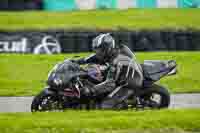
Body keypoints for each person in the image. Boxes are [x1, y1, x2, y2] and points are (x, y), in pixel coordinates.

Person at [72, 33, 143, 109]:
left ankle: (125, 105)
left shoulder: (116, 60)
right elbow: (91, 58)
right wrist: (75, 61)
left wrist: (92, 90)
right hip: (120, 77)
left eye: (100, 50)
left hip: (128, 83)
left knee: (105, 106)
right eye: (96, 49)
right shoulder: (109, 53)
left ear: (107, 48)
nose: (97, 52)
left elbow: (110, 84)